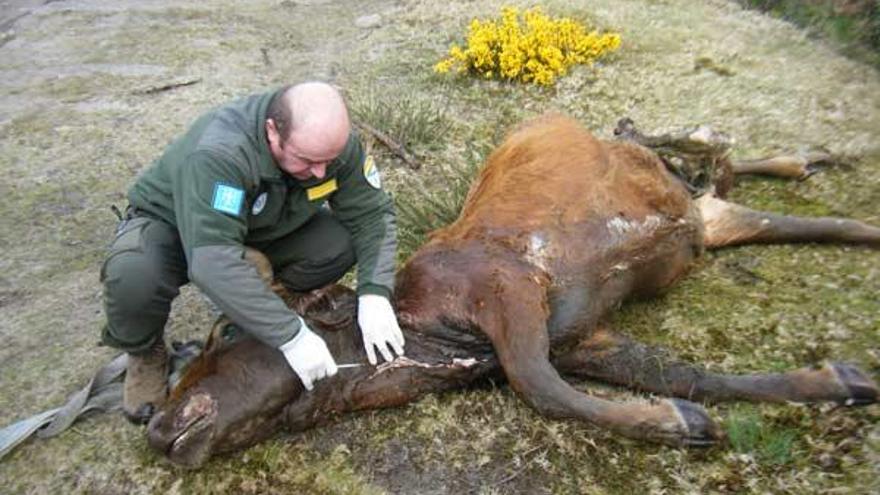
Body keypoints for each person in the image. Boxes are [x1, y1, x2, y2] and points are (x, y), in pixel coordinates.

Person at [100, 82, 404, 424]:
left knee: (341, 240)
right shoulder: (220, 154)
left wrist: (375, 293)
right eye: (307, 160)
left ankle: (264, 303)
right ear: (272, 131)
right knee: (133, 273)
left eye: (328, 161)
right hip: (175, 229)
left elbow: (372, 215)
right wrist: (292, 337)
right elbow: (212, 262)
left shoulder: (330, 145)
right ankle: (145, 353)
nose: (320, 172)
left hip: (258, 227)